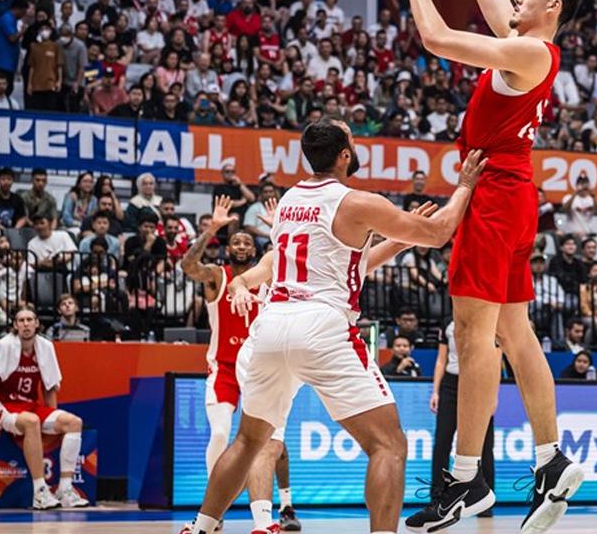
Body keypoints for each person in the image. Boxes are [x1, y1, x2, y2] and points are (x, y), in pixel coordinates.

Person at [388, 0, 586, 531]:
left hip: (497, 196)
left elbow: (438, 38)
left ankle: (467, 481)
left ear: (550, 9)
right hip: (514, 193)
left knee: (473, 337)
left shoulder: (528, 53)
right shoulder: (525, 46)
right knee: (512, 331)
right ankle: (551, 460)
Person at [181, 120, 486, 534]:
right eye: (353, 140)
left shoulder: (289, 200)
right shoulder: (357, 202)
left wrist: (397, 239)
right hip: (322, 326)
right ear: (344, 155)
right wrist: (465, 185)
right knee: (389, 445)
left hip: (271, 327)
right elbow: (438, 233)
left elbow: (349, 264)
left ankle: (200, 527)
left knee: (248, 440)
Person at [179, 196, 296, 533]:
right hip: (225, 369)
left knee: (268, 442)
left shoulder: (267, 276)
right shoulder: (217, 275)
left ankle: (251, 514)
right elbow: (188, 266)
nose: (242, 245)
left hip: (261, 367)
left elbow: (288, 259)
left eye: (247, 241)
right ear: (228, 248)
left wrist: (277, 229)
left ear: (255, 248)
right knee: (219, 433)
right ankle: (215, 510)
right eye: (235, 241)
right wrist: (211, 230)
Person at [0, 308, 90, 510]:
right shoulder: (3, 346)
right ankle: (40, 491)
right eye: (21, 320)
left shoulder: (45, 347)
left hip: (31, 405)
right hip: (4, 406)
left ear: (37, 323)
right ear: (15, 325)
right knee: (31, 421)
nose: (26, 324)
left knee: (74, 423)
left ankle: (65, 489)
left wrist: (53, 424)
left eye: (30, 319)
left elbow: (49, 386)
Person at [424, 320, 497, 517]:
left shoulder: (488, 320)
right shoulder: (447, 322)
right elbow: (441, 359)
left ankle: (485, 500)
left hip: (478, 384)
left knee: (484, 445)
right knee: (442, 443)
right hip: (450, 384)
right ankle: (437, 498)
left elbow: (495, 361)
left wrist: (493, 395)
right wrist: (436, 391)